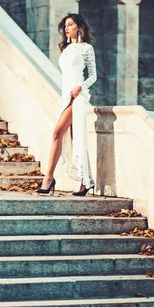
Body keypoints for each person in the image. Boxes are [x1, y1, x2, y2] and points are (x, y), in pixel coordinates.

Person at [37, 13, 97, 196]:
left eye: (70, 24)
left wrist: (81, 86)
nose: (66, 28)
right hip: (65, 95)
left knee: (59, 133)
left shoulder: (86, 48)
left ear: (79, 26)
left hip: (78, 96)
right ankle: (84, 182)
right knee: (64, 137)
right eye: (65, 26)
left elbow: (93, 76)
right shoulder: (65, 49)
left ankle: (48, 179)